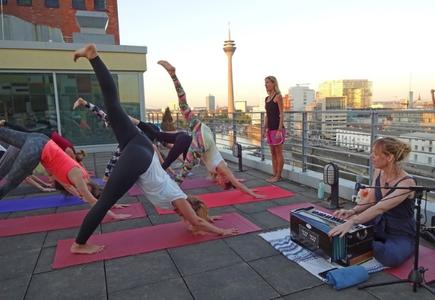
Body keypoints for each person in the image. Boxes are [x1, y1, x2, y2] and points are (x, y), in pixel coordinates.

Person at [71, 44, 238, 254]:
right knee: (104, 203)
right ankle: (78, 244)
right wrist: (220, 231)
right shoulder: (179, 199)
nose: (188, 224)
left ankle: (93, 56)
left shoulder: (180, 197)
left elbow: (195, 216)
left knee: (113, 106)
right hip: (138, 159)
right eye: (189, 220)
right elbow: (196, 220)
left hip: (141, 146)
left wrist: (208, 217)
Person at [158, 60, 263, 198]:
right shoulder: (222, 169)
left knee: (183, 106)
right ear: (225, 179)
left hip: (203, 130)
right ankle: (169, 194)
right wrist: (252, 194)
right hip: (203, 140)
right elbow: (235, 183)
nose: (218, 182)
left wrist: (237, 182)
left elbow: (233, 181)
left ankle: (173, 75)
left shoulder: (218, 170)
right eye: (221, 183)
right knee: (184, 172)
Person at [0, 123, 128, 218]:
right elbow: (92, 200)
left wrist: (111, 204)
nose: (81, 192)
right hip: (36, 149)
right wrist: (113, 215)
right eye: (85, 191)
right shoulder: (79, 178)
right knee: (10, 183)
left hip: (40, 138)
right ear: (90, 185)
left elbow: (92, 196)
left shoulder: (77, 180)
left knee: (3, 133)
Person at [329, 137, 416, 267]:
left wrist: (354, 221)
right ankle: (366, 242)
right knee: (344, 227)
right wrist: (352, 211)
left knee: (390, 258)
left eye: (375, 154)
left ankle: (366, 243)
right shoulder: (379, 171)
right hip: (378, 223)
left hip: (400, 232)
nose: (371, 156)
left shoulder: (407, 183)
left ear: (389, 157)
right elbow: (371, 199)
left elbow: (380, 207)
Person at [72, 97, 187, 178]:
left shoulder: (124, 125)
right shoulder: (120, 124)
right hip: (143, 135)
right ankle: (107, 177)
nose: (108, 127)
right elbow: (99, 112)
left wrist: (166, 168)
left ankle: (107, 177)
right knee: (164, 149)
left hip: (145, 134)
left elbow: (99, 112)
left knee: (160, 149)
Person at [263, 76, 285, 183]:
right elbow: (267, 115)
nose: (266, 84)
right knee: (272, 152)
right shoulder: (267, 99)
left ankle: (278, 176)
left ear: (274, 83)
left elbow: (281, 114)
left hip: (277, 129)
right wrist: (264, 128)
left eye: (268, 82)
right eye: (265, 83)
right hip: (270, 129)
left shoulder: (278, 97)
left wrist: (279, 130)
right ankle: (274, 174)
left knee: (278, 152)